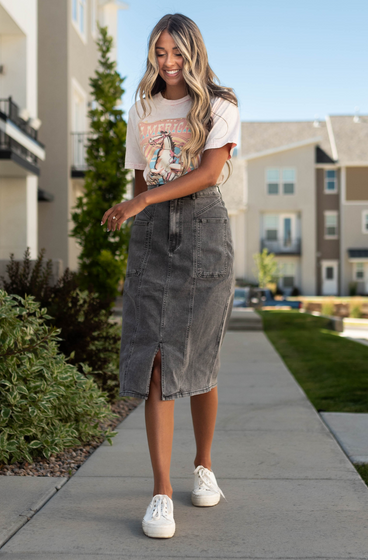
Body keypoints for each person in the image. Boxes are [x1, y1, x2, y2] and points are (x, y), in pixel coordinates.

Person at [101, 13, 240, 539]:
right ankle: (161, 493)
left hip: (204, 227)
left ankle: (203, 465)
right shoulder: (141, 109)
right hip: (152, 234)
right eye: (160, 52)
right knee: (156, 360)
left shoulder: (220, 105)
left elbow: (207, 173)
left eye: (177, 53)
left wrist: (141, 199)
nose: (169, 63)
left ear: (194, 53)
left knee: (202, 359)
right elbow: (141, 176)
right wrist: (138, 207)